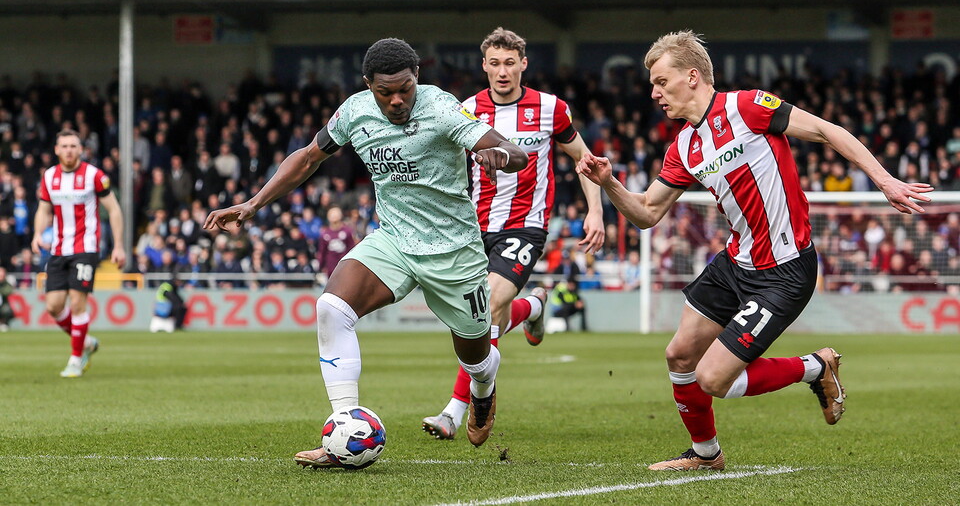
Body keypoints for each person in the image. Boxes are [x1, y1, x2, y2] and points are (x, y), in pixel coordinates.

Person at [576, 31, 933, 471]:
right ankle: (706, 455)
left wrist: (885, 181)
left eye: (661, 82)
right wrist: (609, 182)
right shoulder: (684, 147)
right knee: (679, 354)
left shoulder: (746, 107)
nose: (654, 93)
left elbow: (825, 129)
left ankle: (815, 367)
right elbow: (647, 213)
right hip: (736, 263)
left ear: (692, 76)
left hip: (784, 271)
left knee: (712, 378)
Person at [202, 38, 528, 468]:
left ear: (418, 80)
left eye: (405, 89)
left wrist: (498, 154)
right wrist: (252, 204)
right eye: (385, 92)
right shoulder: (355, 111)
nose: (397, 100)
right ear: (367, 85)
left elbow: (517, 153)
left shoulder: (442, 107)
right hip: (393, 239)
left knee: (476, 357)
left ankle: (483, 391)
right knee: (331, 308)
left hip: (454, 251)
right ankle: (346, 432)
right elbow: (306, 158)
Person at [421, 27, 605, 441]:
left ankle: (457, 408)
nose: (502, 71)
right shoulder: (467, 109)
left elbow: (585, 160)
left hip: (526, 225)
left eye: (510, 63)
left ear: (523, 64)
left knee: (485, 306)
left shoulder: (551, 108)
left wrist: (595, 211)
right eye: (494, 63)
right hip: (473, 228)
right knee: (489, 316)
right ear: (484, 65)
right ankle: (535, 308)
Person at [32, 129, 126, 378]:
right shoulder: (49, 176)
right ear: (56, 149)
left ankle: (76, 359)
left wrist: (118, 245)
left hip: (86, 248)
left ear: (80, 149)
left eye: (73, 146)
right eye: (64, 146)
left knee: (77, 302)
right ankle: (84, 342)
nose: (69, 150)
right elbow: (43, 210)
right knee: (53, 307)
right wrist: (37, 234)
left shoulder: (94, 176)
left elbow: (114, 210)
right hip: (58, 249)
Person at [0, 266, 15, 332]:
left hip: (3, 304)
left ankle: (4, 323)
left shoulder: (6, 284)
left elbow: (9, 291)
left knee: (6, 310)